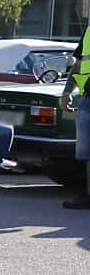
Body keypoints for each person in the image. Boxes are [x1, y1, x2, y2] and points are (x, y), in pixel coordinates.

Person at [59, 20, 90, 210]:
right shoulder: (89, 31)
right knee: (87, 153)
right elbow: (79, 64)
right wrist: (66, 92)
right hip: (88, 98)